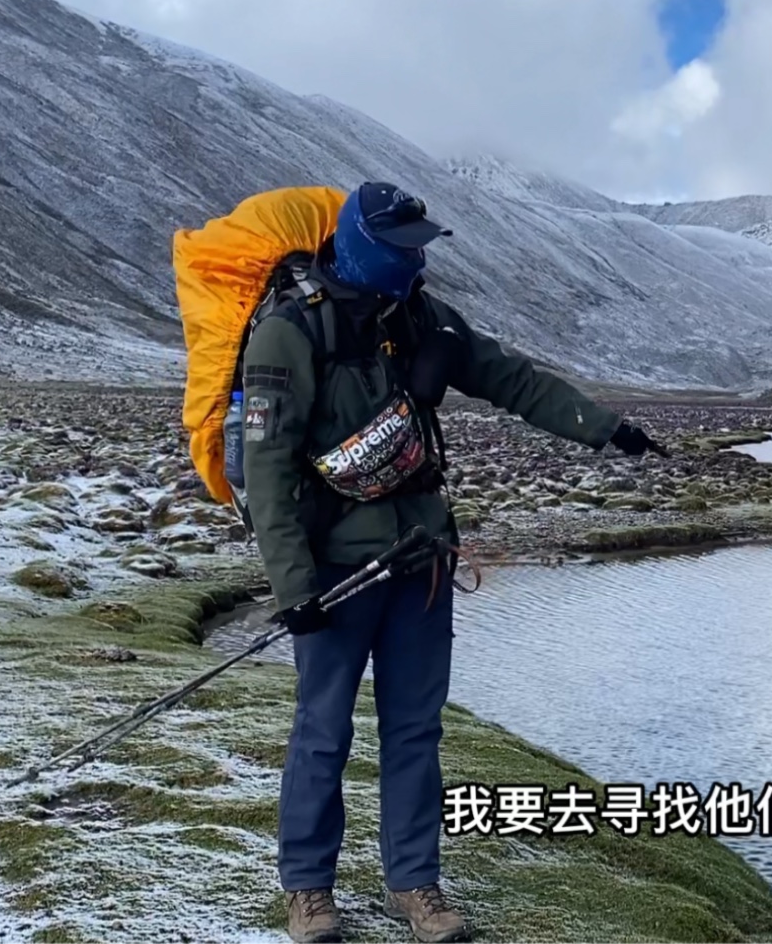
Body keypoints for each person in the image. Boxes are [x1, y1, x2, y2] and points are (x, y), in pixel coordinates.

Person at [239, 182, 667, 944]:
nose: (415, 257)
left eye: (420, 245)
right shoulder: (288, 332)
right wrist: (293, 585)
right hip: (335, 574)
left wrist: (607, 429)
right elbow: (267, 468)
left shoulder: (421, 317)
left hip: (422, 561)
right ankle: (308, 889)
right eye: (403, 246)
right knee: (322, 731)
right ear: (366, 243)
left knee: (414, 730)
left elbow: (510, 378)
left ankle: (416, 886)